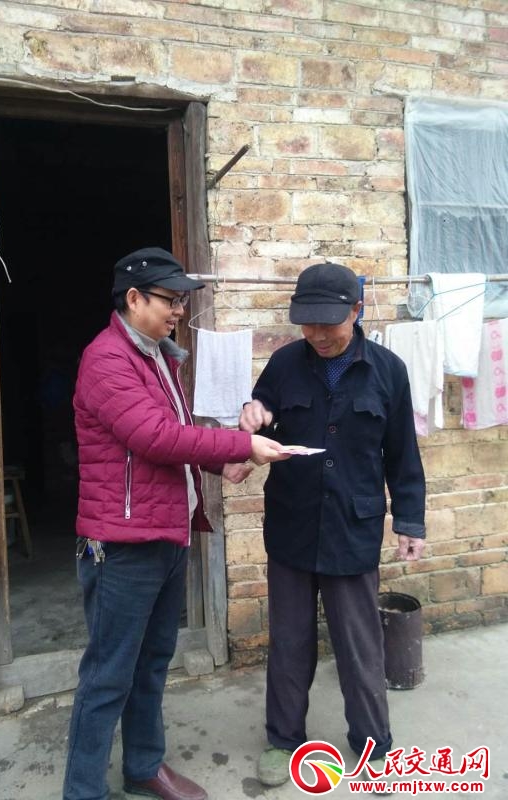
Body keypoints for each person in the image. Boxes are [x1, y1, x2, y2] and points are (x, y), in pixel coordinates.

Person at [62, 246, 288, 800]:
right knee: (109, 674)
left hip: (166, 532)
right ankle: (83, 791)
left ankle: (143, 766)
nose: (180, 311)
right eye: (170, 300)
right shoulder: (106, 359)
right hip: (122, 545)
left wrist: (220, 463)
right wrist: (241, 445)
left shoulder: (158, 357)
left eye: (182, 301)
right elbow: (154, 437)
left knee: (152, 663)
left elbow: (177, 435)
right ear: (133, 299)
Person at [239, 262, 426, 789]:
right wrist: (254, 411)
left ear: (357, 311)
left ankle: (372, 744)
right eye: (308, 323)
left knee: (360, 645)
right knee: (289, 642)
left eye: (330, 323)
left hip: (353, 527)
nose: (318, 334)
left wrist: (409, 521)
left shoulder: (388, 371)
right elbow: (262, 406)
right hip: (292, 525)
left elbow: (403, 455)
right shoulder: (284, 363)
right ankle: (283, 740)